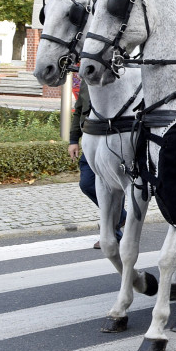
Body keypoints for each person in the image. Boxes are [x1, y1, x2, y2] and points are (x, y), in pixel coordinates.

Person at [69, 81, 125, 250]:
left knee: (114, 188)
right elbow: (79, 111)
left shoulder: (116, 79)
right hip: (91, 141)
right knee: (86, 183)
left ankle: (112, 234)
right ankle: (121, 217)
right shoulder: (86, 82)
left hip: (112, 140)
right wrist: (73, 140)